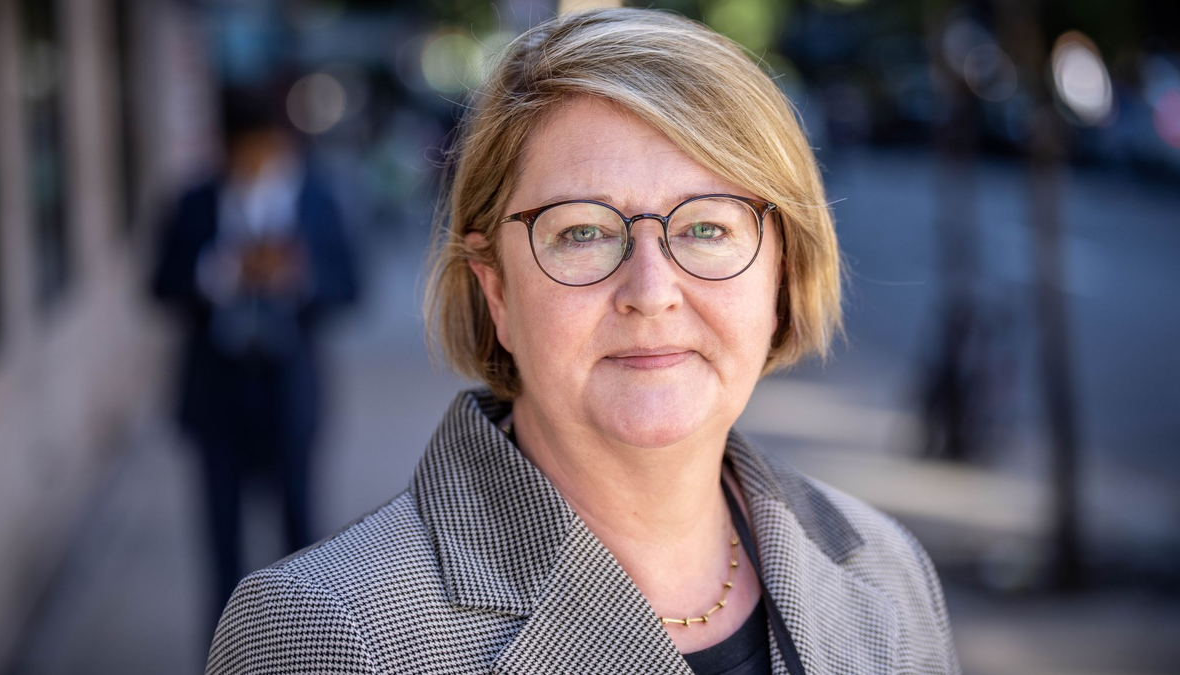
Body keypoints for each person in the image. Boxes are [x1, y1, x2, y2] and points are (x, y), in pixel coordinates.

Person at [206, 9, 959, 674]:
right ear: (496, 291)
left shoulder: (883, 567)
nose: (651, 291)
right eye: (582, 233)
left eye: (707, 227)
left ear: (781, 275)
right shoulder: (325, 635)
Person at [152, 89, 359, 623]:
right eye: (246, 150)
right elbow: (160, 285)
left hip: (290, 388)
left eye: (267, 149)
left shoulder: (315, 197)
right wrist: (223, 270)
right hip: (216, 392)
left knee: (302, 539)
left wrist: (296, 275)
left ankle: (305, 647)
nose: (258, 162)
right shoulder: (195, 202)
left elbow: (350, 286)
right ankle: (225, 649)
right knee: (222, 543)